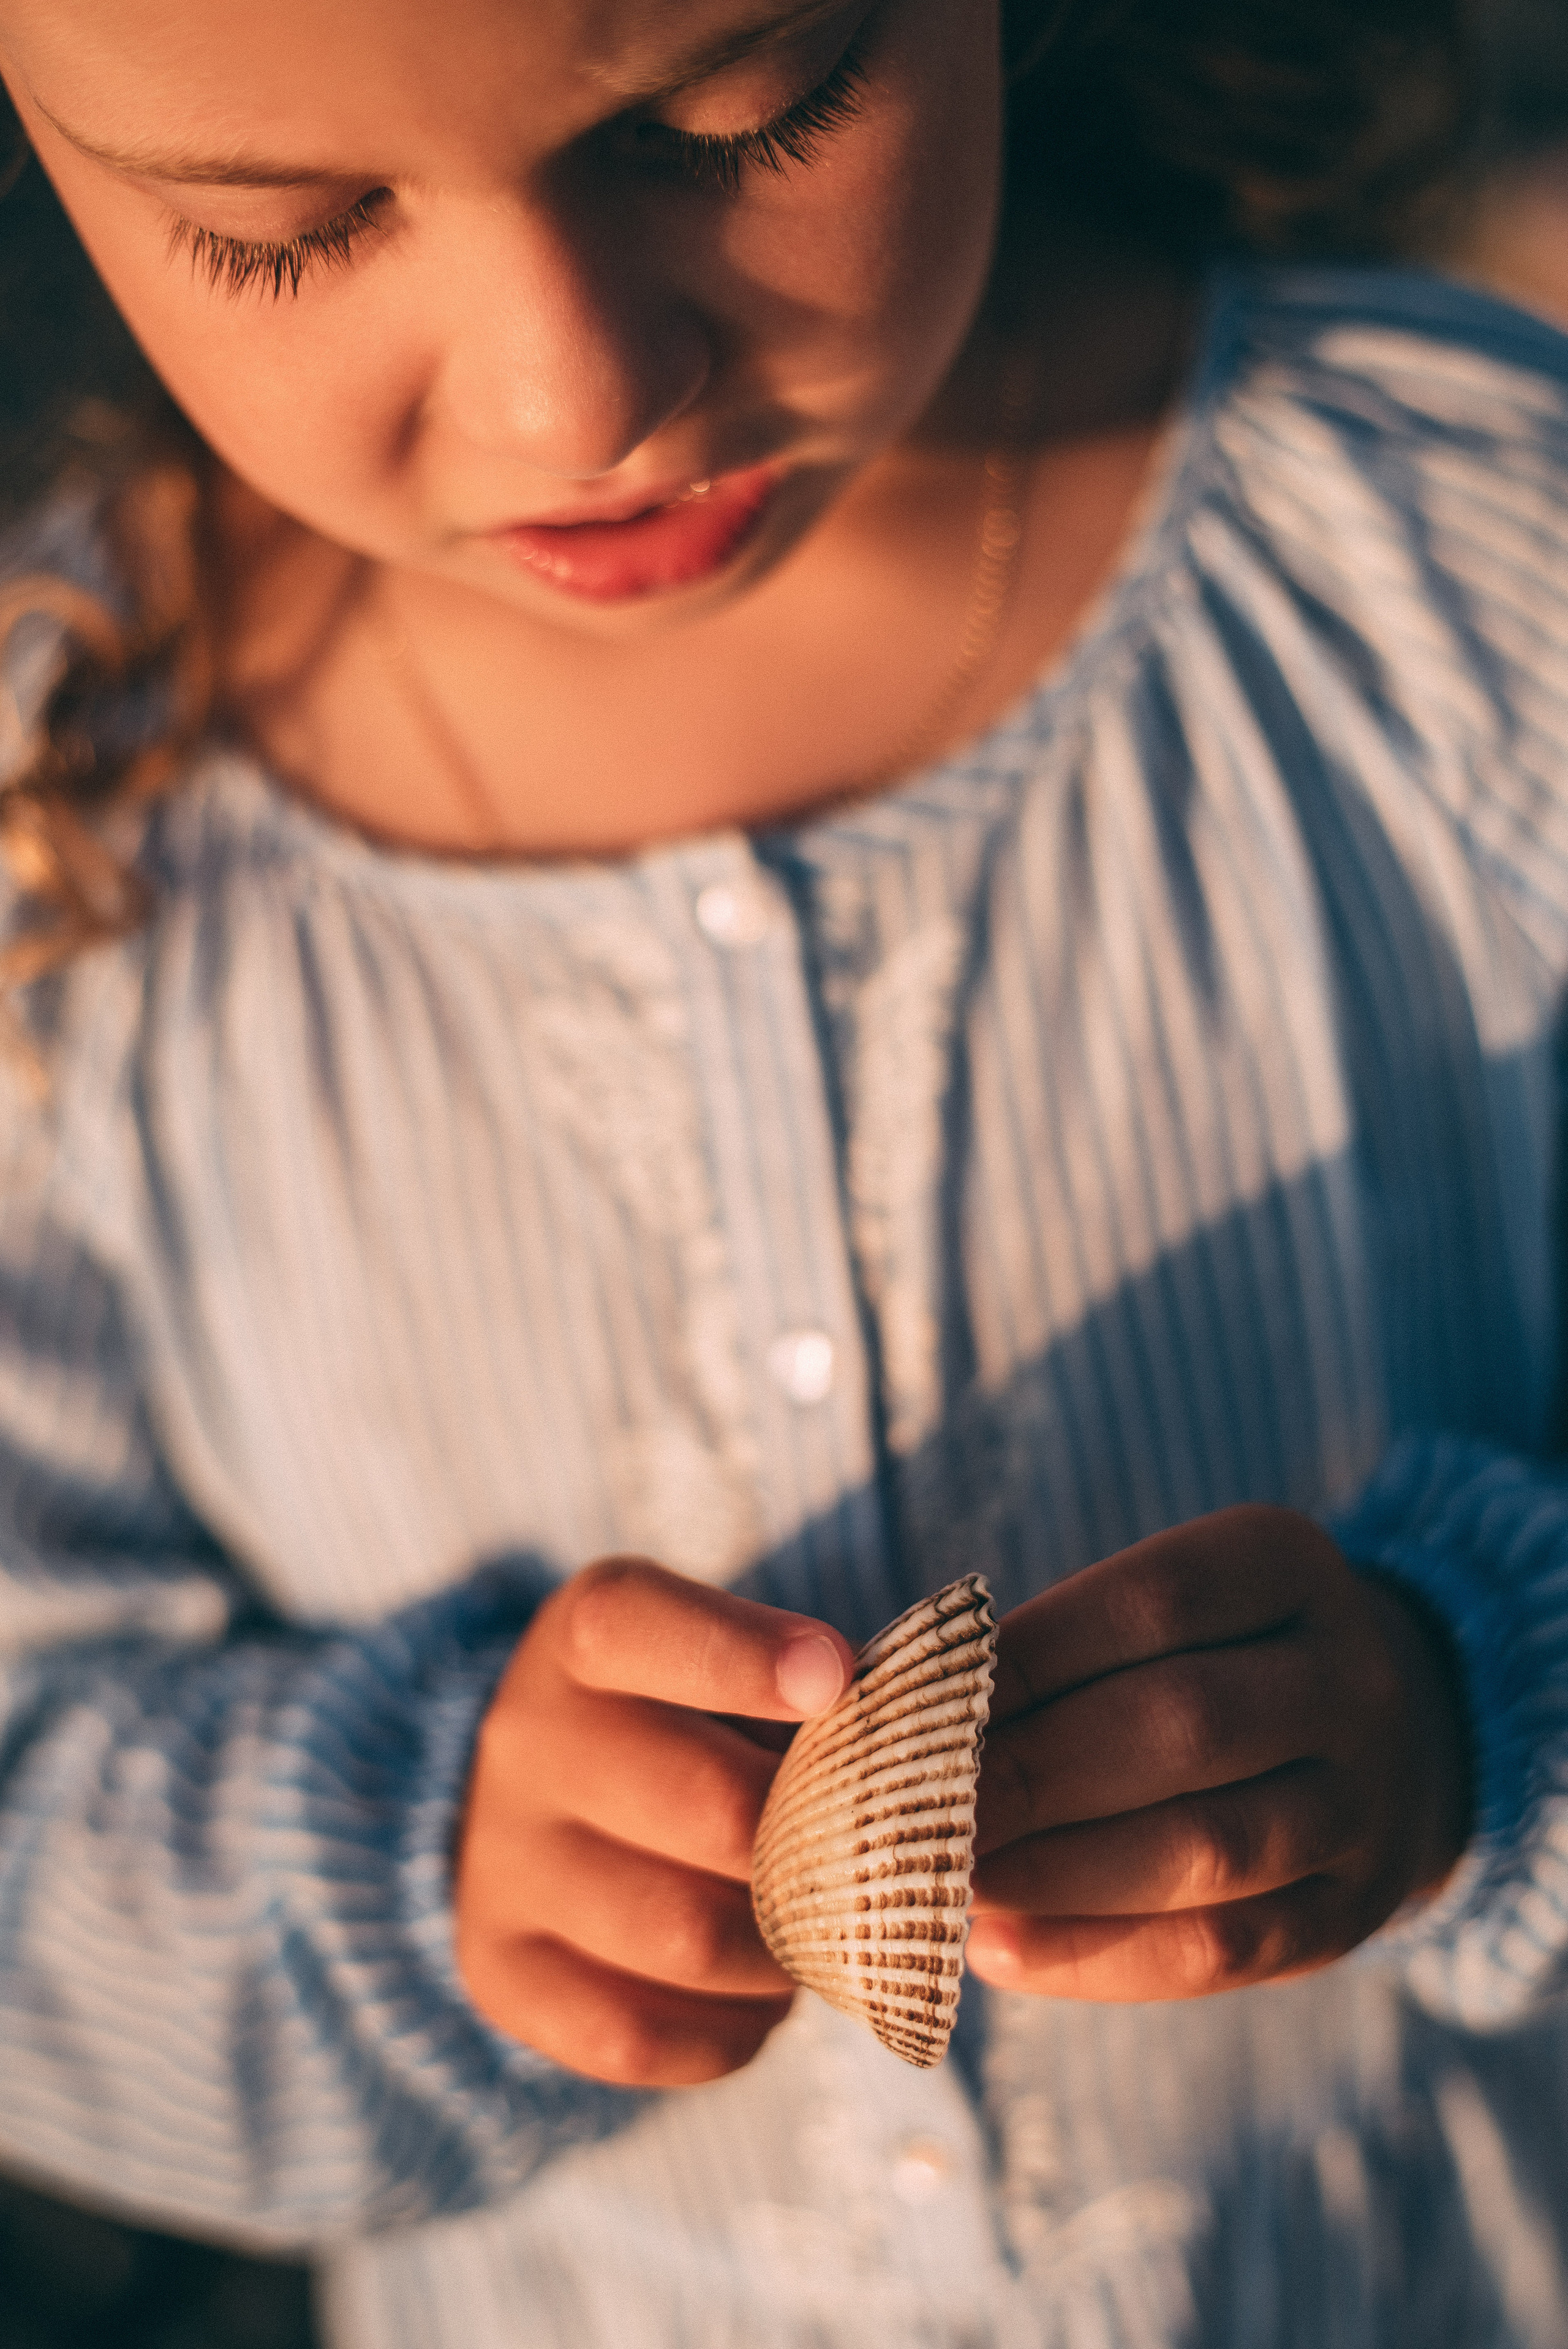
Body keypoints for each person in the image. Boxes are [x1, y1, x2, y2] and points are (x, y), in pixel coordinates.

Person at [1, 2, 1566, 2344]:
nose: (580, 393)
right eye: (287, 231)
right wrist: (412, 1882)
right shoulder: (57, 843)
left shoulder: (1462, 566)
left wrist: (1490, 1700)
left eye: (742, 113)